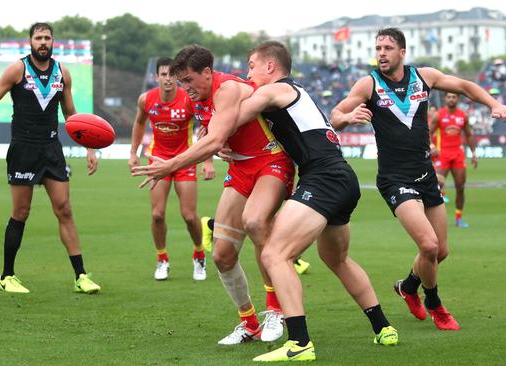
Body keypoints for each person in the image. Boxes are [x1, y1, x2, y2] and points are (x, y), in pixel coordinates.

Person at [330, 28, 506, 331]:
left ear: (402, 52)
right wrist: (348, 118)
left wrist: (493, 105)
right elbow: (336, 113)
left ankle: (408, 286)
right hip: (394, 179)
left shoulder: (424, 76)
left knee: (440, 251)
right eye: (378, 48)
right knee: (428, 246)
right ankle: (435, 304)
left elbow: (466, 85)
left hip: (426, 175)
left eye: (388, 48)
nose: (381, 53)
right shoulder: (368, 83)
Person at [228, 41, 398, 362]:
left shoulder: (272, 91)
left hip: (323, 178)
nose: (248, 72)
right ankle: (383, 328)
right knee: (337, 259)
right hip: (341, 177)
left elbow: (233, 117)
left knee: (275, 254)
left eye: (251, 65)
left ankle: (300, 343)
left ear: (270, 67)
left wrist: (214, 122)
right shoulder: (298, 92)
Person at [133, 44, 295, 345]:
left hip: (271, 161)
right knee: (221, 255)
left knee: (256, 222)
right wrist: (210, 141)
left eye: (189, 80)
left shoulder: (228, 88)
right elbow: (212, 134)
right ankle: (248, 323)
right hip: (241, 169)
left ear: (207, 73)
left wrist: (169, 164)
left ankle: (275, 310)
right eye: (181, 82)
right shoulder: (198, 97)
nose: (185, 88)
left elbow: (218, 135)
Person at [0, 22, 100, 294]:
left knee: (65, 209)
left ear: (53, 41)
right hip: (23, 149)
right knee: (21, 212)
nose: (43, 42)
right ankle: (6, 276)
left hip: (51, 149)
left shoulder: (62, 73)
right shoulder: (17, 69)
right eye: (38, 38)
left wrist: (90, 147)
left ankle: (81, 276)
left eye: (47, 37)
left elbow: (72, 116)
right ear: (30, 42)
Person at [129, 57, 215, 281]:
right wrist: (133, 153)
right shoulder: (146, 100)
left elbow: (206, 125)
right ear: (156, 77)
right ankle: (162, 259)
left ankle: (199, 255)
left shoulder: (188, 99)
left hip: (184, 160)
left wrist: (207, 161)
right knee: (157, 215)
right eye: (164, 74)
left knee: (188, 216)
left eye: (172, 75)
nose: (168, 79)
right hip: (158, 161)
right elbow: (139, 123)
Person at [430, 92, 477, 228]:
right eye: (449, 97)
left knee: (460, 187)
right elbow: (427, 132)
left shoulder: (463, 116)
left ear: (458, 99)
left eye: (454, 97)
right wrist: (432, 146)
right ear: (445, 99)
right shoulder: (439, 114)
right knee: (435, 186)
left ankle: (458, 218)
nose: (451, 99)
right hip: (442, 154)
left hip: (458, 154)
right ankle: (432, 219)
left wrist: (474, 153)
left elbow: (468, 135)